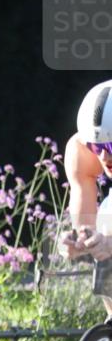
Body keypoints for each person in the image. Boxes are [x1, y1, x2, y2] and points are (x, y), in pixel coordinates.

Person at [62, 79, 112, 267]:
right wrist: (79, 246)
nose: (104, 156)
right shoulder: (81, 151)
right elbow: (86, 231)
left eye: (111, 146)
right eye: (97, 146)